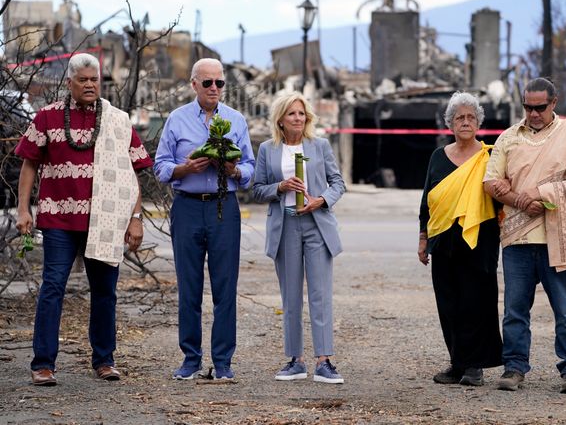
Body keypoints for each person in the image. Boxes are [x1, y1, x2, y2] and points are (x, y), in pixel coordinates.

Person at [15, 52, 153, 386]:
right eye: (83, 80)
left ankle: (104, 360)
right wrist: (23, 209)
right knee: (52, 288)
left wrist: (136, 217)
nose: (90, 85)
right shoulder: (47, 117)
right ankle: (43, 364)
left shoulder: (117, 120)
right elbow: (30, 163)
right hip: (58, 218)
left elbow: (133, 173)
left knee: (105, 292)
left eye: (95, 79)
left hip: (104, 222)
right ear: (70, 83)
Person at [483, 78, 566, 394]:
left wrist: (542, 196)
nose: (533, 113)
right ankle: (514, 368)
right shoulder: (509, 137)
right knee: (515, 310)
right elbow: (491, 182)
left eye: (539, 107)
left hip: (560, 234)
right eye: (528, 106)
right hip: (518, 238)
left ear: (554, 103)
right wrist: (521, 201)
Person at [154, 58, 255, 380]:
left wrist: (234, 170)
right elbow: (160, 166)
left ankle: (223, 361)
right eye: (207, 83)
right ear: (194, 84)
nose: (214, 88)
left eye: (219, 83)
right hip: (187, 207)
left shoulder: (236, 120)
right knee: (189, 287)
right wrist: (183, 169)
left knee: (225, 288)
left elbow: (251, 168)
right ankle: (191, 358)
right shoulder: (176, 119)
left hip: (224, 206)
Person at [252, 92, 346, 384]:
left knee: (320, 295)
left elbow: (338, 183)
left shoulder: (320, 146)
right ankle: (295, 360)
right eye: (291, 114)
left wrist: (321, 200)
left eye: (302, 114)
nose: (297, 118)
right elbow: (257, 189)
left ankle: (324, 360)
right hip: (286, 226)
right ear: (280, 119)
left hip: (316, 225)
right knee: (291, 297)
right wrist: (279, 186)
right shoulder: (268, 149)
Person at [418, 92, 503, 387]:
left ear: (478, 122)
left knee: (476, 300)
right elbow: (427, 199)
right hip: (442, 238)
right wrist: (423, 237)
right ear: (450, 124)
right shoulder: (437, 156)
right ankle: (457, 363)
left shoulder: (490, 156)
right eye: (459, 118)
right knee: (449, 302)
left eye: (470, 117)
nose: (465, 122)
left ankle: (475, 366)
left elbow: (500, 197)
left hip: (481, 238)